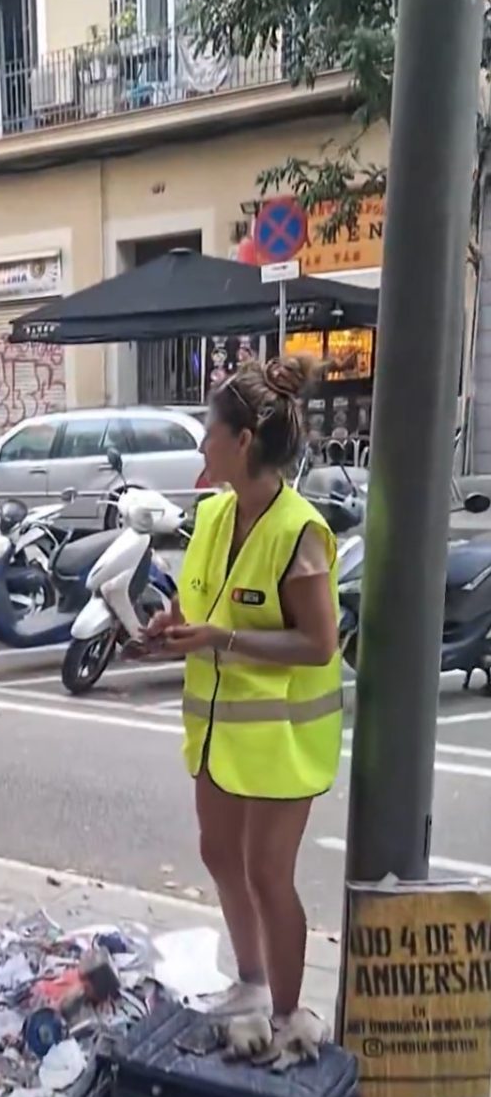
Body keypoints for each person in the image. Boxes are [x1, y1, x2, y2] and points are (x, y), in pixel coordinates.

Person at [143, 355, 342, 1034]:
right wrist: (171, 625)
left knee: (266, 875)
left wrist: (219, 640)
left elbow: (319, 644)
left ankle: (289, 1018)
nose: (202, 442)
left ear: (244, 442)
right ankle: (250, 986)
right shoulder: (216, 517)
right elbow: (199, 600)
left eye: (209, 430)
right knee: (218, 855)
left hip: (283, 741)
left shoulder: (299, 532)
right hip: (220, 732)